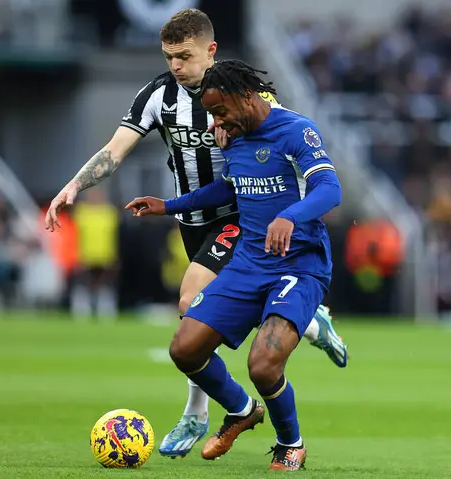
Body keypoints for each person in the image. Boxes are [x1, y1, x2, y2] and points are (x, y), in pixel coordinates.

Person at [44, 8, 347, 459]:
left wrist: (292, 214)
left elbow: (303, 167)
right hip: (196, 218)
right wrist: (75, 186)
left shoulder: (261, 105)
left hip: (241, 223)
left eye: (184, 55)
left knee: (191, 302)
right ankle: (294, 334)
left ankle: (203, 414)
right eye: (169, 57)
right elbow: (115, 149)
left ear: (211, 51)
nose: (175, 65)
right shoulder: (159, 97)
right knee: (188, 331)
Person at [124, 59, 342, 471]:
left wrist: (289, 216)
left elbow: (330, 189)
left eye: (220, 111)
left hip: (299, 264)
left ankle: (290, 443)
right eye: (211, 113)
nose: (215, 122)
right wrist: (167, 206)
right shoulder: (234, 137)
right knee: (184, 348)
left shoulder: (296, 130)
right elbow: (229, 187)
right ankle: (242, 411)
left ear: (246, 96)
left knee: (262, 364)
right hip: (248, 263)